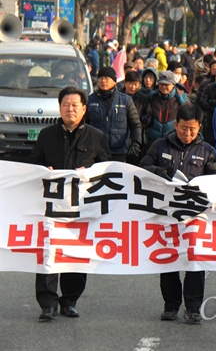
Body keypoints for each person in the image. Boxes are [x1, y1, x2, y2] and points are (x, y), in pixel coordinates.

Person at [28, 86, 111, 321]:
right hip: (51, 207)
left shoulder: (97, 137)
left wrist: (90, 173)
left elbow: (107, 169)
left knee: (76, 253)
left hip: (81, 208)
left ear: (84, 109)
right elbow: (33, 164)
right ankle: (48, 304)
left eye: (75, 105)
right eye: (65, 105)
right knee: (48, 253)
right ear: (59, 107)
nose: (70, 109)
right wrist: (45, 171)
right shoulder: (46, 135)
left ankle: (70, 301)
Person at [140, 104, 216, 324]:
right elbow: (143, 167)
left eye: (192, 130)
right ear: (175, 125)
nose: (187, 134)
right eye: (183, 128)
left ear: (199, 127)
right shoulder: (159, 146)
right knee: (168, 261)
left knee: (195, 261)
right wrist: (161, 172)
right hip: (166, 215)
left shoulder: (207, 150)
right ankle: (171, 305)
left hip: (195, 217)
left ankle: (193, 308)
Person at [86, 66, 142, 162]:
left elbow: (135, 124)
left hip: (118, 152)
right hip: (95, 150)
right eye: (101, 78)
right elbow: (84, 124)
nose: (103, 81)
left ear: (114, 81)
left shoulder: (125, 100)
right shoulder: (90, 100)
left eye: (106, 78)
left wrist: (136, 142)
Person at [142, 71, 189, 148]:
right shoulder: (152, 97)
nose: (163, 87)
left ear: (173, 84)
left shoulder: (181, 99)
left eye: (166, 84)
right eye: (161, 84)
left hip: (173, 142)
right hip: (153, 142)